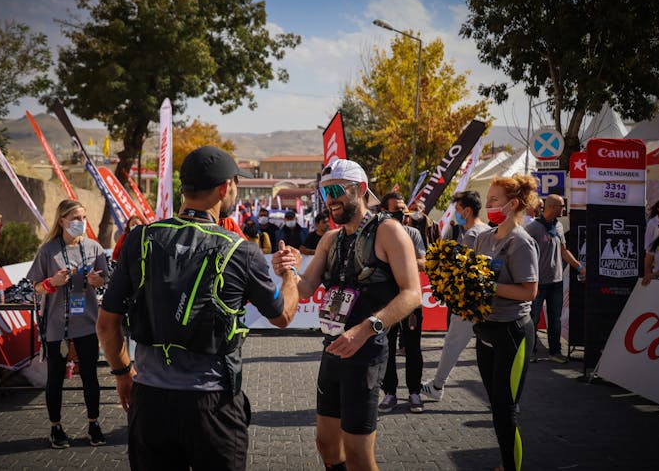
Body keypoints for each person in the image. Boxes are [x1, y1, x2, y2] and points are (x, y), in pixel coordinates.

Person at [97, 146, 299, 471]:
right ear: (224, 188)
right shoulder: (240, 250)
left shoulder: (139, 239)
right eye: (235, 183)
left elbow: (107, 324)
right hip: (213, 404)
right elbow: (283, 315)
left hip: (149, 400)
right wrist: (289, 274)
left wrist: (122, 374)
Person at [272, 158, 421, 470]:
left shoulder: (390, 231)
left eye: (337, 190)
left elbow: (412, 293)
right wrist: (288, 271)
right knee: (326, 444)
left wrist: (366, 328)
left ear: (361, 190)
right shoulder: (331, 238)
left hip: (366, 353)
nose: (330, 199)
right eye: (325, 192)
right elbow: (306, 287)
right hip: (333, 349)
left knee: (357, 455)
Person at [26, 199, 109, 449]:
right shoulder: (48, 250)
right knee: (55, 380)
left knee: (90, 377)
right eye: (75, 218)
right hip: (57, 326)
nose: (80, 223)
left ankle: (94, 424)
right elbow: (36, 287)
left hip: (87, 324)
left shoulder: (94, 248)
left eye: (83, 218)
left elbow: (105, 280)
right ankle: (56, 427)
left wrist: (98, 281)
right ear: (62, 221)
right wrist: (52, 282)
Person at [472, 175, 539, 471]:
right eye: (488, 199)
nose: (488, 205)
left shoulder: (521, 242)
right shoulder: (484, 238)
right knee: (495, 404)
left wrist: (488, 287)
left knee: (505, 409)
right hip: (486, 330)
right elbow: (474, 277)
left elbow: (529, 291)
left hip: (513, 332)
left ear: (513, 204)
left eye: (494, 200)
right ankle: (505, 463)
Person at [421, 190, 490, 402]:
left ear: (467, 211)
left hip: (469, 302)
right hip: (482, 301)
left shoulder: (471, 235)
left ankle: (437, 385)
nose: (456, 214)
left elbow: (462, 270)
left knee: (453, 343)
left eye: (458, 210)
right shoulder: (486, 230)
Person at [377, 192, 426, 413]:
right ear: (384, 211)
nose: (403, 212)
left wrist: (401, 260)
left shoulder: (413, 233)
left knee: (413, 348)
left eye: (404, 208)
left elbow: (423, 262)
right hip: (386, 302)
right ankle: (389, 393)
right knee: (385, 349)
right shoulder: (377, 234)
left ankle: (414, 392)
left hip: (411, 301)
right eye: (397, 208)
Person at [524, 194, 584, 363]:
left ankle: (555, 352)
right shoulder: (533, 228)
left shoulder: (558, 227)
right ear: (551, 207)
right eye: (561, 206)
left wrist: (579, 266)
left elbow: (564, 251)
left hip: (556, 282)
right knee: (532, 318)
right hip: (538, 282)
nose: (563, 209)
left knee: (555, 319)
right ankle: (530, 351)